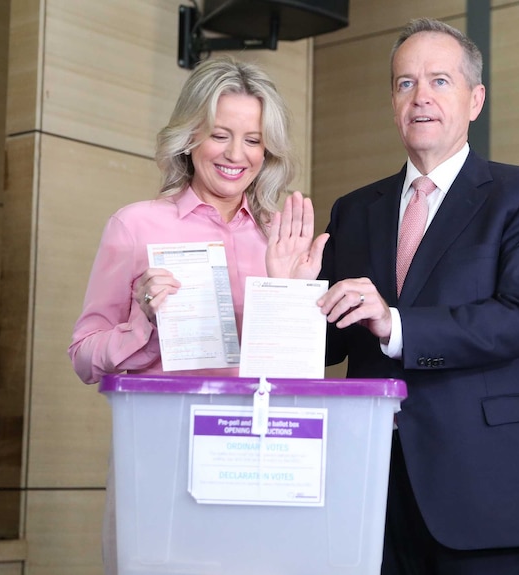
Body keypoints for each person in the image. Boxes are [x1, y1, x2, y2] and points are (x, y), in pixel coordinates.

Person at [315, 18, 519, 575]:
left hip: (487, 492)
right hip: (373, 490)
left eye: (439, 81)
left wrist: (395, 325)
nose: (420, 97)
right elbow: (327, 346)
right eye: (406, 83)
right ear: (392, 101)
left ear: (476, 99)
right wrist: (288, 288)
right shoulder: (355, 211)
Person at [68, 56, 326, 573]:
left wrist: (287, 293)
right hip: (159, 454)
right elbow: (83, 355)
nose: (237, 155)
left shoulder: (281, 236)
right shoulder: (136, 225)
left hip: (257, 459)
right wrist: (142, 320)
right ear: (189, 137)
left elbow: (298, 378)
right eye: (220, 135)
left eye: (253, 139)